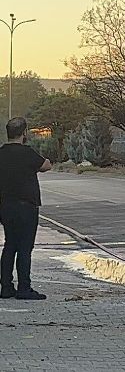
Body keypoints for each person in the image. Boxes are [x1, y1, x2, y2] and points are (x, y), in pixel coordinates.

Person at [0, 117, 52, 300]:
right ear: (24, 133)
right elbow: (46, 165)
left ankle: (6, 288)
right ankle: (24, 288)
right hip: (26, 207)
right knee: (24, 248)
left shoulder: (2, 153)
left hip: (6, 206)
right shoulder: (27, 153)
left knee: (9, 245)